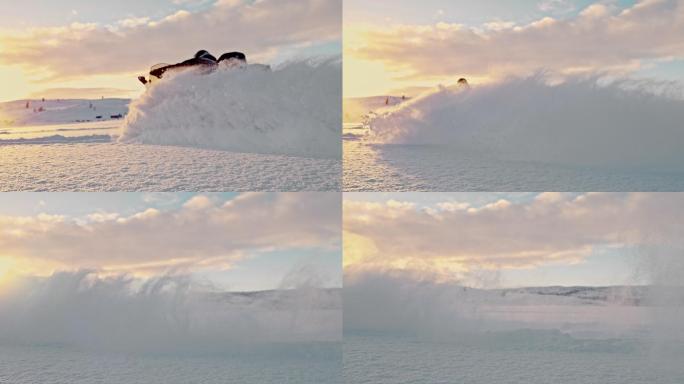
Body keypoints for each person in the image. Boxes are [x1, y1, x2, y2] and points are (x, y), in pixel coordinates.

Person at [138, 50, 247, 85]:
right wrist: (146, 83)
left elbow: (181, 66)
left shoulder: (204, 62)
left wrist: (162, 70)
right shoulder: (215, 68)